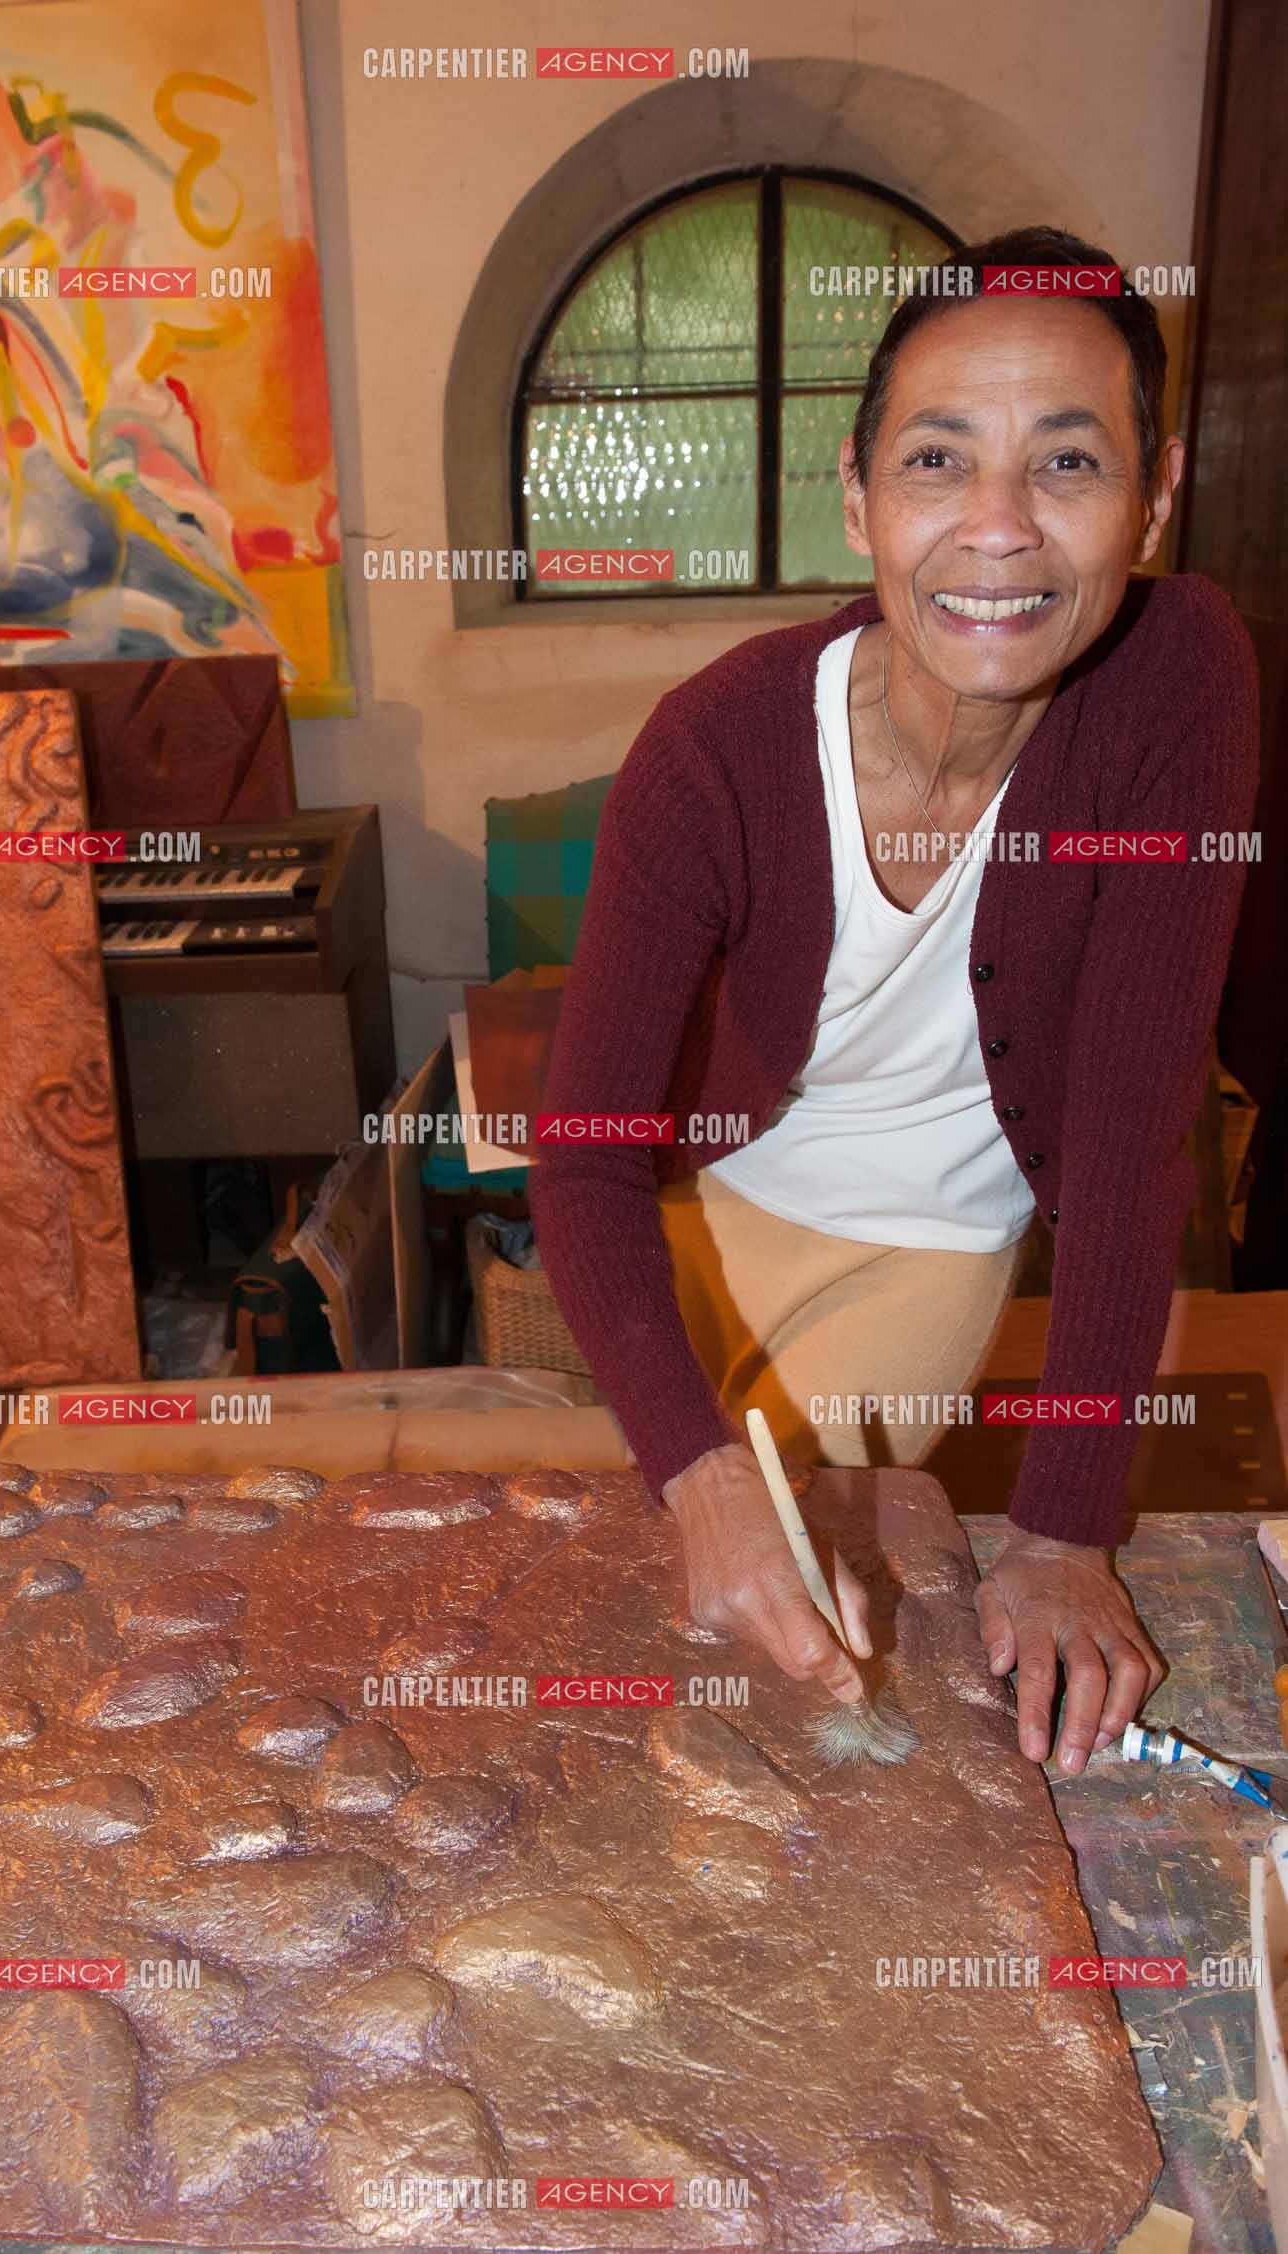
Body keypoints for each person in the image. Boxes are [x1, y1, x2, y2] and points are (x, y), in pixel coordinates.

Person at [529, 226, 1259, 1776]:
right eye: (940, 459)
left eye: (1068, 462)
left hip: (927, 1238)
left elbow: (1133, 1149)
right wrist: (700, 1478)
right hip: (708, 1204)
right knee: (645, 1533)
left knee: (796, 1657)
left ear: (1157, 490)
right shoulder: (715, 748)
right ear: (860, 494)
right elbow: (584, 1154)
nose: (998, 531)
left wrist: (1067, 1534)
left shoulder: (1181, 678)